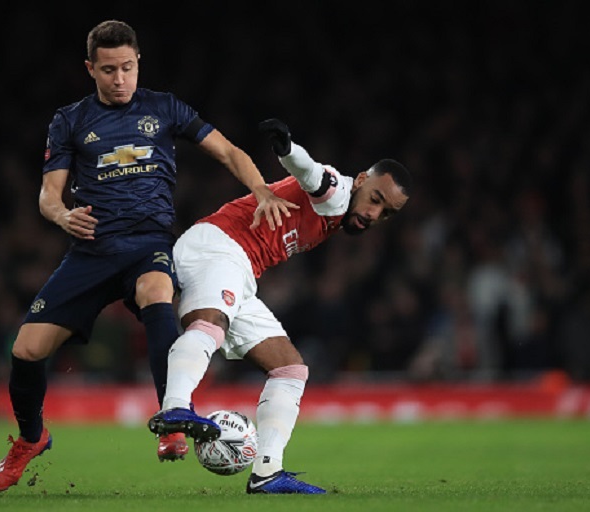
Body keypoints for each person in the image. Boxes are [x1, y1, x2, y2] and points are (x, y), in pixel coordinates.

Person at [0, 21, 296, 493]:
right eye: (108, 70)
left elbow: (228, 151)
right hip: (91, 253)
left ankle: (172, 419)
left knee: (156, 291)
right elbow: (48, 195)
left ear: (138, 64)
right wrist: (61, 215)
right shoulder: (70, 119)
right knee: (26, 351)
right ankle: (32, 438)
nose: (119, 79)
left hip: (148, 244)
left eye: (127, 68)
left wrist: (261, 190)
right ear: (90, 68)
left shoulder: (164, 107)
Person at [147, 118, 412, 494]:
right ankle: (174, 410)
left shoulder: (338, 214)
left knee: (290, 368)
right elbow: (312, 174)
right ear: (361, 181)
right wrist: (287, 150)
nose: (373, 215)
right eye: (375, 200)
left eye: (386, 213)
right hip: (219, 246)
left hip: (240, 269)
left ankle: (267, 472)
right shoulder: (337, 191)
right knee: (210, 324)